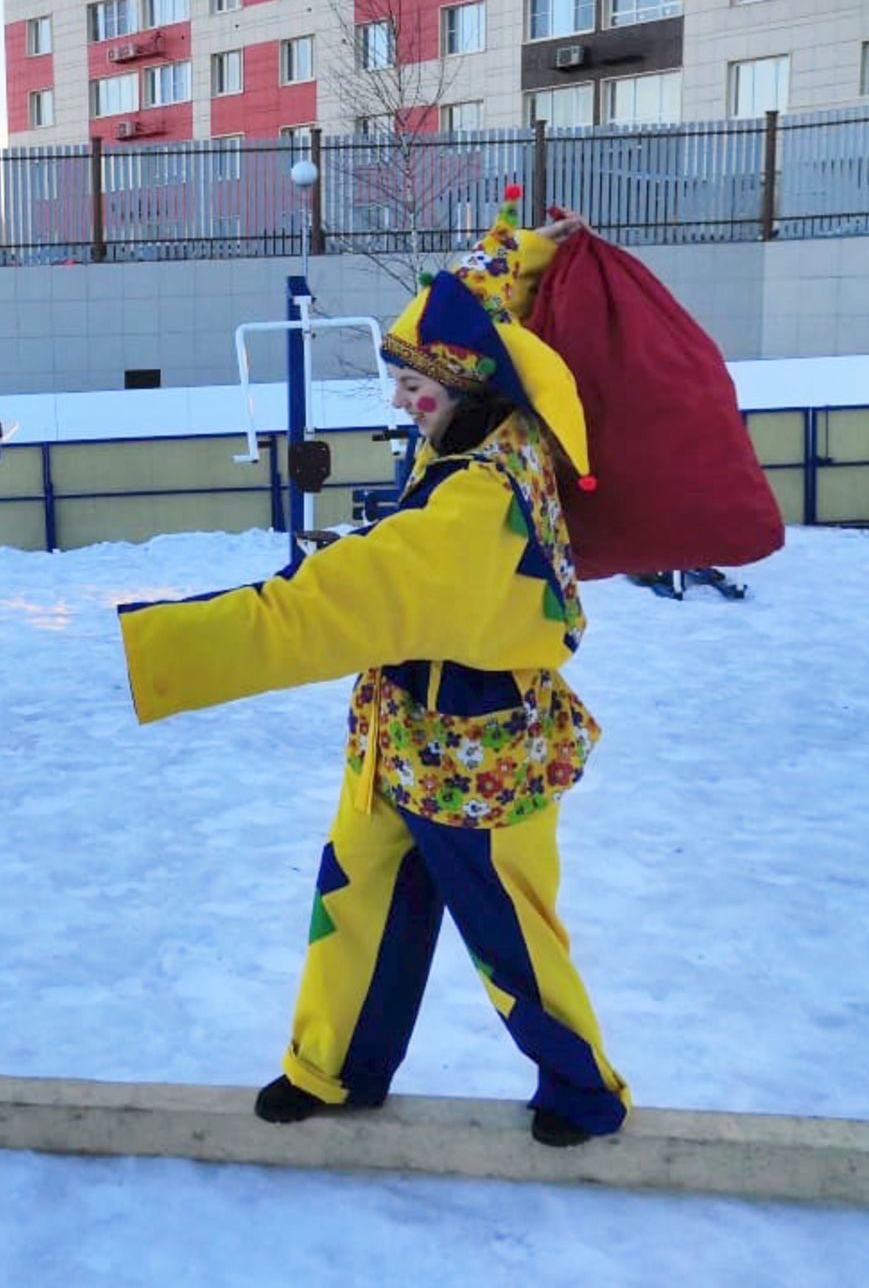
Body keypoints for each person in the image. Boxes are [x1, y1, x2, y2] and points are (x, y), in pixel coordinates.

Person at [117, 192, 630, 1147]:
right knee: (354, 899)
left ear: (468, 385)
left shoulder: (479, 502)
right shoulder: (479, 421)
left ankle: (581, 1088)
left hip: (482, 744)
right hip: (402, 726)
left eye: (413, 386)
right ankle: (334, 1066)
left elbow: (328, 605)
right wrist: (524, 252)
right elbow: (475, 309)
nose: (399, 402)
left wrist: (168, 646)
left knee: (508, 929)